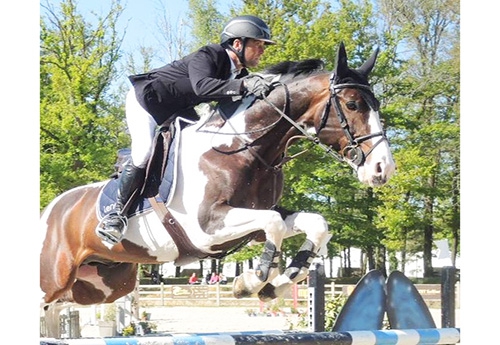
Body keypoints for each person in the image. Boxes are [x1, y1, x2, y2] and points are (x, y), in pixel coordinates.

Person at [97, 15, 276, 245]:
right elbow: (202, 87)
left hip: (178, 110)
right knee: (142, 152)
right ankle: (116, 214)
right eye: (258, 45)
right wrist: (244, 85)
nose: (262, 51)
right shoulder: (210, 54)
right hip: (148, 103)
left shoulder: (239, 74)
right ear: (238, 44)